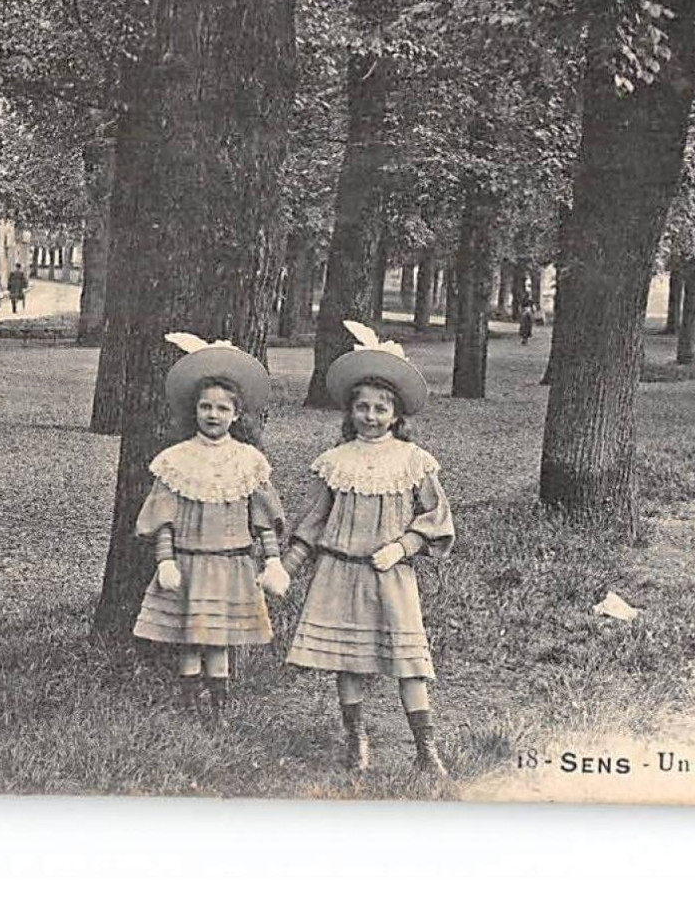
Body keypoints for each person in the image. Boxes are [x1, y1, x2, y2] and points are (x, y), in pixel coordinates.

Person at [266, 321, 455, 775]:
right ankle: (357, 741)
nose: (371, 416)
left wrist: (404, 546)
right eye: (363, 408)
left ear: (396, 415)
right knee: (347, 662)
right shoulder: (336, 463)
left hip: (389, 572)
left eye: (381, 409)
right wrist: (286, 567)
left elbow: (437, 517)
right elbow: (314, 522)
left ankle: (426, 750)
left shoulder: (413, 461)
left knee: (409, 662)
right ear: (350, 412)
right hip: (340, 573)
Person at [131, 334, 291, 718]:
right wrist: (165, 561)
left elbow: (263, 519)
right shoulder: (176, 460)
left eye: (222, 408)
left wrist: (272, 561)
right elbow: (163, 518)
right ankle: (189, 704)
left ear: (236, 414)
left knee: (218, 639)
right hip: (189, 561)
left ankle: (218, 708)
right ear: (195, 411)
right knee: (189, 637)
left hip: (230, 562)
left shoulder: (249, 461)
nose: (213, 415)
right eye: (206, 407)